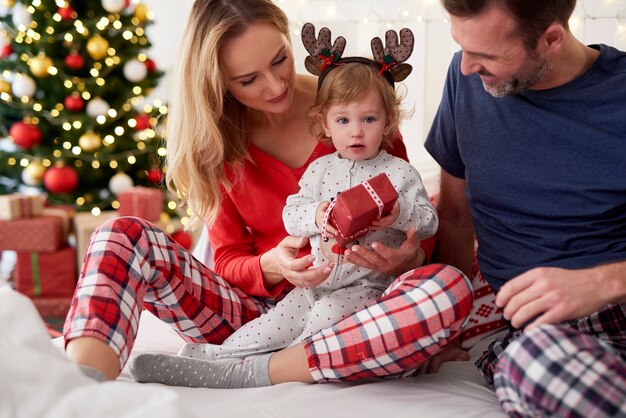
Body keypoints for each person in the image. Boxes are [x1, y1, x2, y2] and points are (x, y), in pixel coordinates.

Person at [63, 0, 473, 387]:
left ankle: (256, 371)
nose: (276, 85)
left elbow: (410, 219)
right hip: (252, 313)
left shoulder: (358, 108)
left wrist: (410, 257)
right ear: (218, 81)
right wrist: (274, 265)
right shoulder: (218, 143)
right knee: (120, 236)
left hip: (354, 305)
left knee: (447, 288)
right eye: (248, 79)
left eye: (279, 58)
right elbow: (227, 260)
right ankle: (81, 387)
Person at [128, 58, 439, 386]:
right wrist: (317, 214)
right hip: (311, 286)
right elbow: (292, 216)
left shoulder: (399, 172)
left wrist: (400, 213)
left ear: (389, 121)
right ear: (325, 123)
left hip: (366, 289)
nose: (356, 131)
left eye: (369, 119)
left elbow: (429, 221)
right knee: (269, 324)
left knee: (324, 318)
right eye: (343, 119)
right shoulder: (320, 170)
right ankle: (211, 357)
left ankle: (257, 373)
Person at [424, 0, 626, 416]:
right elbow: (456, 217)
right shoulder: (466, 83)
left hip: (616, 306)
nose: (466, 67)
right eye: (462, 47)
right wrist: (447, 330)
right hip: (545, 340)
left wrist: (605, 281)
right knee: (532, 362)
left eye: (487, 55)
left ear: (551, 38)